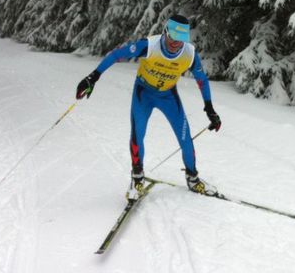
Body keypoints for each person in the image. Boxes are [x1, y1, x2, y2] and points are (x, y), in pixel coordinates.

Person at [76, 14, 222, 200]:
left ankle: (193, 179)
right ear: (165, 32)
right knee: (138, 134)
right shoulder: (149, 45)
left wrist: (209, 107)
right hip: (143, 93)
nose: (175, 44)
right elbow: (116, 55)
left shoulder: (189, 54)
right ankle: (137, 178)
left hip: (168, 96)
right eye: (172, 38)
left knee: (185, 138)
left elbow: (202, 79)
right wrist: (93, 77)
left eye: (180, 40)